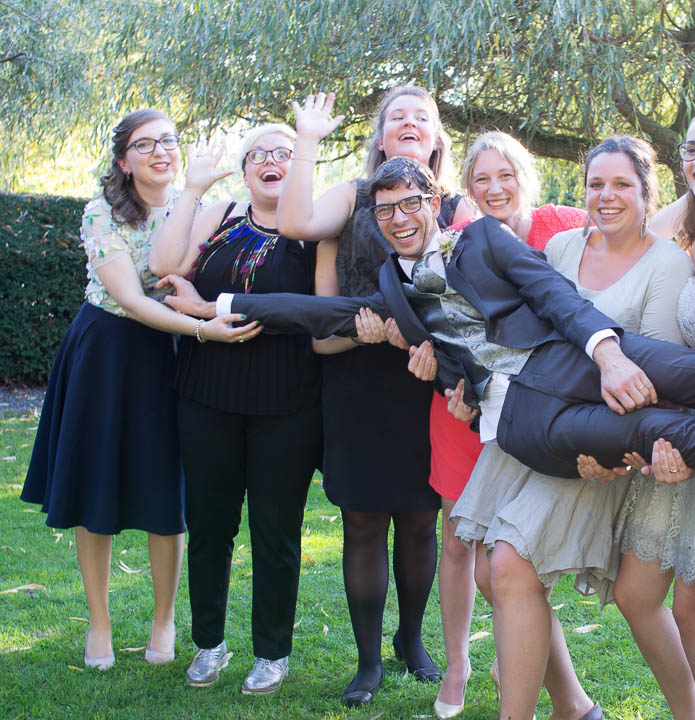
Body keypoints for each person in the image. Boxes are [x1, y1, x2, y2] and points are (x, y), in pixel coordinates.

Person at [211, 156, 695, 480]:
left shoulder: (483, 240)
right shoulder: (391, 289)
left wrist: (607, 355)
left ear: (433, 205)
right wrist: (219, 305)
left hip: (571, 354)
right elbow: (312, 311)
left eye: (410, 204)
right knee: (653, 434)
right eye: (386, 210)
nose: (398, 218)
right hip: (520, 418)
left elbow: (555, 294)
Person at [452, 135, 692, 719]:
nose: (606, 197)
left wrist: (617, 450)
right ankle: (574, 706)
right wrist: (468, 384)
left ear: (645, 192)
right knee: (492, 573)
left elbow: (655, 378)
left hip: (598, 450)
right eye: (595, 184)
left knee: (509, 563)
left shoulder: (667, 262)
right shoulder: (560, 247)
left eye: (621, 185)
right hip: (532, 430)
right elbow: (521, 338)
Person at [20, 109, 259, 671]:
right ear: (124, 162)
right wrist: (204, 329)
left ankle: (163, 620)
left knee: (165, 491)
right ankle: (98, 624)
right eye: (144, 145)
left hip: (172, 357)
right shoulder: (101, 212)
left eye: (169, 141)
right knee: (94, 485)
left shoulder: (199, 208)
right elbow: (130, 298)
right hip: (106, 353)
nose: (161, 152)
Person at [273, 88, 473, 707]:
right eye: (397, 118)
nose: (410, 124)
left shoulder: (459, 209)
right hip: (358, 379)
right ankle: (366, 662)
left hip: (427, 384)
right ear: (380, 137)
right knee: (361, 522)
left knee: (420, 522)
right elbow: (294, 223)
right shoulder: (354, 197)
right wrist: (306, 139)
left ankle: (411, 642)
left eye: (422, 118)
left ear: (436, 140)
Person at [580, 103, 695, 712]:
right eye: (690, 149)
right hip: (672, 431)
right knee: (635, 595)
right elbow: (626, 227)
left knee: (693, 605)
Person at [148, 124, 322, 693]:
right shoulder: (219, 213)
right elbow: (162, 264)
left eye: (284, 154)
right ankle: (209, 643)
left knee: (276, 532)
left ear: (300, 167)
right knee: (209, 525)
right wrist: (193, 187)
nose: (271, 161)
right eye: (259, 154)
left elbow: (312, 309)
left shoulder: (314, 227)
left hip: (287, 403)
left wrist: (208, 303)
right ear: (245, 168)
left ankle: (272, 652)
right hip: (206, 394)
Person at [462, 130, 587, 250]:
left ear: (526, 178)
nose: (495, 190)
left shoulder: (563, 222)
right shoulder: (460, 238)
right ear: (471, 188)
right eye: (482, 179)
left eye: (506, 175)